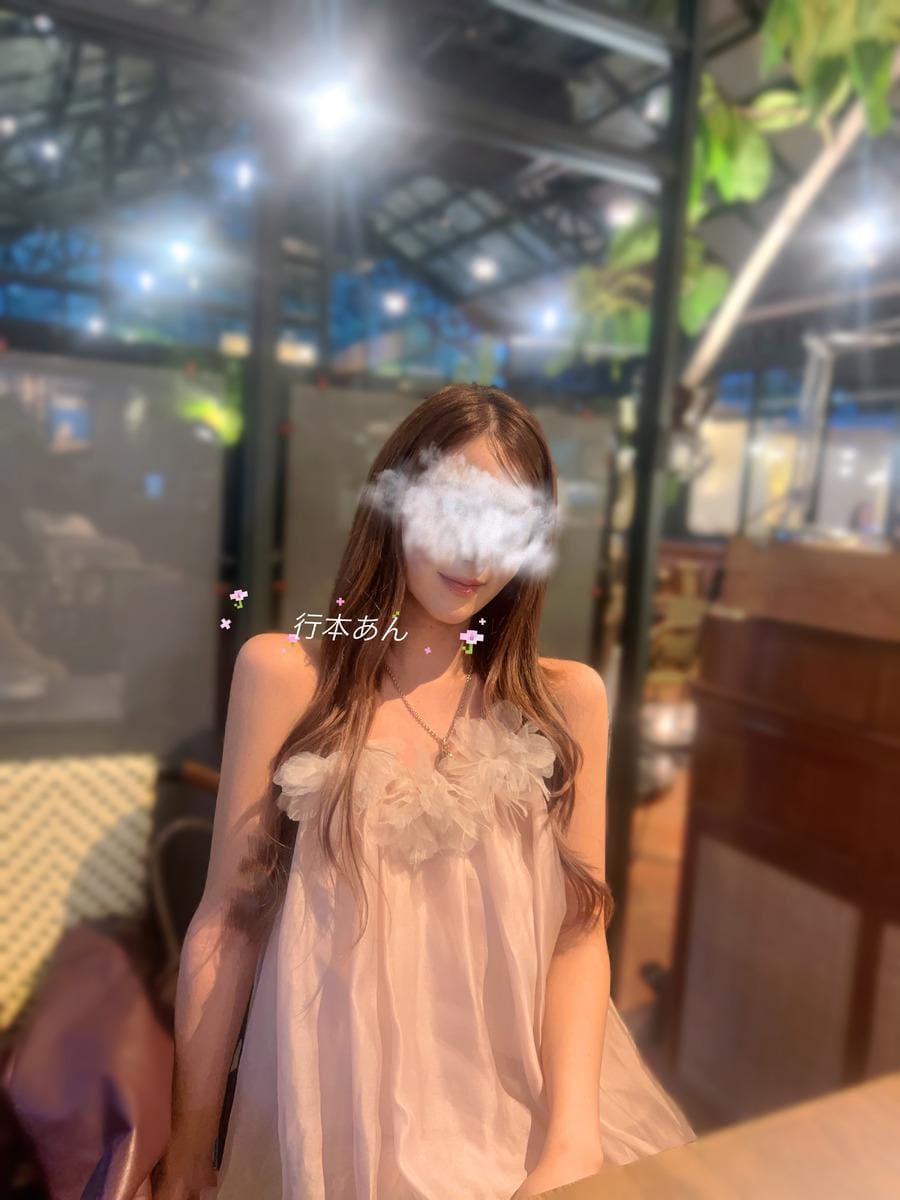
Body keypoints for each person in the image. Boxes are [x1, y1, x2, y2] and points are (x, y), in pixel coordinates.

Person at [154, 384, 695, 1200]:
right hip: (333, 1129)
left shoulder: (564, 701)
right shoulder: (288, 676)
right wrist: (189, 1153)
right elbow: (227, 923)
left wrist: (572, 1141)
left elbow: (578, 935)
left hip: (529, 1124)